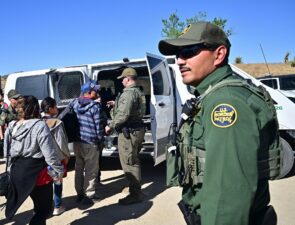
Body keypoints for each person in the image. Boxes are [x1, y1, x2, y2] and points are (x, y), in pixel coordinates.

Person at [158, 21, 279, 225]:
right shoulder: (210, 95)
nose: (179, 60)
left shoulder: (225, 103)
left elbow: (228, 193)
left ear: (219, 54)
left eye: (189, 51)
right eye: (177, 54)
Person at [3, 95, 63, 225]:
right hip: (37, 175)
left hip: (17, 172)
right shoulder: (39, 126)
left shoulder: (12, 126)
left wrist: (9, 170)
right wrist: (59, 171)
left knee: (38, 206)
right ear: (35, 108)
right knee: (44, 210)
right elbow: (50, 154)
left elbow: (6, 153)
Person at [105, 67, 146, 205]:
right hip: (137, 130)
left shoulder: (128, 94)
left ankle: (136, 194)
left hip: (129, 133)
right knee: (134, 160)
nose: (122, 81)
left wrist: (110, 126)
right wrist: (115, 104)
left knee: (129, 163)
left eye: (123, 79)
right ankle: (136, 189)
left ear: (128, 79)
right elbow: (131, 109)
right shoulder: (138, 91)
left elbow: (123, 115)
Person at [72, 80, 105, 204]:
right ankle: (89, 195)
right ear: (89, 92)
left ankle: (79, 194)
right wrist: (100, 141)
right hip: (91, 143)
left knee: (79, 168)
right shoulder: (95, 107)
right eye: (95, 91)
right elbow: (98, 127)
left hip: (77, 141)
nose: (97, 92)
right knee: (91, 170)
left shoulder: (74, 104)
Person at [41, 97, 70, 216]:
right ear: (50, 108)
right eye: (55, 106)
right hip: (56, 158)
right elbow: (62, 142)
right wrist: (67, 156)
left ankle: (45, 207)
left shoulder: (38, 122)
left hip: (43, 158)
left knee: (46, 183)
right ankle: (57, 206)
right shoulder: (56, 123)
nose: (57, 108)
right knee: (57, 181)